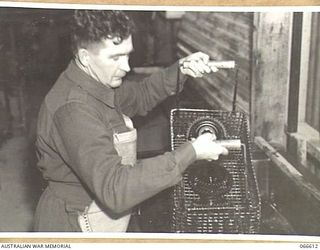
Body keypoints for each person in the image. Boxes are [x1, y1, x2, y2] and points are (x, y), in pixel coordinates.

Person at [33, 10, 228, 232]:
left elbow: (140, 95)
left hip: (101, 214)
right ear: (85, 57)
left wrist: (181, 69)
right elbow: (116, 189)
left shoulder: (95, 82)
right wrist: (191, 152)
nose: (126, 67)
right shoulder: (74, 110)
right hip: (76, 223)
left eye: (127, 55)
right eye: (115, 57)